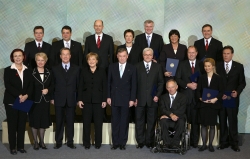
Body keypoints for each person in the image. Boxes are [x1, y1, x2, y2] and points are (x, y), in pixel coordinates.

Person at [3, 49, 33, 155]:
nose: (17, 57)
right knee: (12, 125)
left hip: (25, 100)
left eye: (19, 55)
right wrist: (19, 95)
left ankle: (20, 146)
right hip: (12, 101)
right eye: (15, 56)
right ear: (12, 58)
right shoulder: (8, 70)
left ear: (23, 57)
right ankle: (12, 147)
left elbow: (31, 85)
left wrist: (26, 95)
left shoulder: (28, 70)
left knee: (21, 125)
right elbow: (8, 86)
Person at [216, 46, 246, 152]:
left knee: (233, 121)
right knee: (222, 120)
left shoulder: (239, 66)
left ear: (232, 54)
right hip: (222, 98)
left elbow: (242, 82)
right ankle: (224, 142)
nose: (225, 55)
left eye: (228, 53)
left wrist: (237, 91)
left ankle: (234, 143)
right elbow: (215, 82)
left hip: (233, 98)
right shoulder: (218, 66)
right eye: (224, 53)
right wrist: (220, 94)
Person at [84, 19, 114, 122]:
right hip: (91, 70)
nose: (98, 27)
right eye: (96, 26)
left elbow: (111, 56)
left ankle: (103, 114)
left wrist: (110, 70)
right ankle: (92, 115)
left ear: (103, 26)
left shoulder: (109, 39)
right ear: (94, 26)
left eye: (99, 25)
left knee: (103, 91)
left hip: (105, 70)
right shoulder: (89, 39)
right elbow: (85, 56)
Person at [107, 48, 136, 150]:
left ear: (127, 56)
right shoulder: (112, 67)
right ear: (117, 56)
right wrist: (108, 96)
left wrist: (132, 99)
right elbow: (108, 83)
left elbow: (134, 85)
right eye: (120, 56)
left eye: (124, 56)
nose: (122, 58)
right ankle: (115, 143)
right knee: (115, 121)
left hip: (126, 99)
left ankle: (122, 143)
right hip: (114, 98)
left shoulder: (132, 68)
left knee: (124, 121)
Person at [135, 48, 164, 148]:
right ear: (143, 56)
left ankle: (149, 142)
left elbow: (161, 82)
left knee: (151, 122)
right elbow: (134, 84)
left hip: (153, 99)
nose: (147, 56)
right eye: (145, 55)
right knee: (139, 121)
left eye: (149, 55)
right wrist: (134, 97)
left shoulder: (158, 67)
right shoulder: (137, 66)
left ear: (152, 56)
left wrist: (157, 95)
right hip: (139, 99)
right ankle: (140, 142)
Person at [51, 47, 80, 149]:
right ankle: (58, 141)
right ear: (60, 56)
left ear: (70, 56)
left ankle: (70, 141)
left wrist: (78, 98)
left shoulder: (76, 68)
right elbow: (52, 84)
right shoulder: (54, 68)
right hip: (58, 99)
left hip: (72, 99)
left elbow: (78, 85)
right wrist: (52, 98)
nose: (65, 56)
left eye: (67, 54)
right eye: (63, 54)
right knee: (59, 121)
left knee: (70, 121)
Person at [78, 52, 107, 149]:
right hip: (86, 101)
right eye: (89, 59)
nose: (91, 61)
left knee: (98, 123)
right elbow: (80, 86)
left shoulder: (102, 71)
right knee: (86, 123)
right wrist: (79, 99)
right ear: (87, 61)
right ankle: (86, 143)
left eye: (93, 59)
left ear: (97, 61)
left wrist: (104, 100)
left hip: (99, 101)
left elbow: (105, 86)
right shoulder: (83, 71)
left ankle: (98, 143)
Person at [175, 46, 201, 148]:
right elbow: (177, 78)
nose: (191, 54)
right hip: (185, 97)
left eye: (193, 52)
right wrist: (187, 84)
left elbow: (205, 78)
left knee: (195, 121)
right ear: (187, 54)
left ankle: (194, 142)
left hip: (197, 97)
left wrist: (199, 85)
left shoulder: (201, 64)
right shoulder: (182, 64)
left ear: (196, 53)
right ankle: (183, 141)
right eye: (189, 52)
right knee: (183, 121)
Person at [196, 58, 224, 152]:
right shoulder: (202, 77)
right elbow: (198, 91)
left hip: (213, 105)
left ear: (213, 66)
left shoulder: (218, 78)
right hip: (203, 105)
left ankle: (211, 145)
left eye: (209, 66)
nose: (207, 68)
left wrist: (215, 99)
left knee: (212, 125)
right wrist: (201, 98)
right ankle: (204, 145)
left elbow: (221, 91)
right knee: (203, 125)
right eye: (205, 66)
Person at [115, 29, 142, 123]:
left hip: (134, 75)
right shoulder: (120, 47)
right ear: (124, 37)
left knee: (133, 98)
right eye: (127, 36)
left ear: (133, 37)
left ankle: (133, 120)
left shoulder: (138, 48)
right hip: (122, 77)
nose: (128, 38)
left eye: (130, 36)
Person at [29, 53, 54, 150]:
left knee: (43, 121)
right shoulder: (31, 72)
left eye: (42, 60)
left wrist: (48, 90)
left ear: (45, 61)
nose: (40, 62)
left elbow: (53, 85)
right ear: (36, 61)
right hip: (34, 100)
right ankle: (35, 142)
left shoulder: (49, 72)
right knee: (34, 121)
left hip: (45, 101)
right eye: (38, 60)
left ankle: (42, 142)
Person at [159, 79, 187, 149]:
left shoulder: (183, 97)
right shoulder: (163, 97)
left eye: (172, 87)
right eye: (168, 87)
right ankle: (166, 143)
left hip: (178, 117)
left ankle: (175, 143)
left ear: (176, 87)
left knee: (181, 122)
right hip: (167, 118)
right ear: (166, 88)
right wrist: (170, 115)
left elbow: (182, 110)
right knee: (162, 121)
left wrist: (171, 115)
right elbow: (162, 109)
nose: (170, 89)